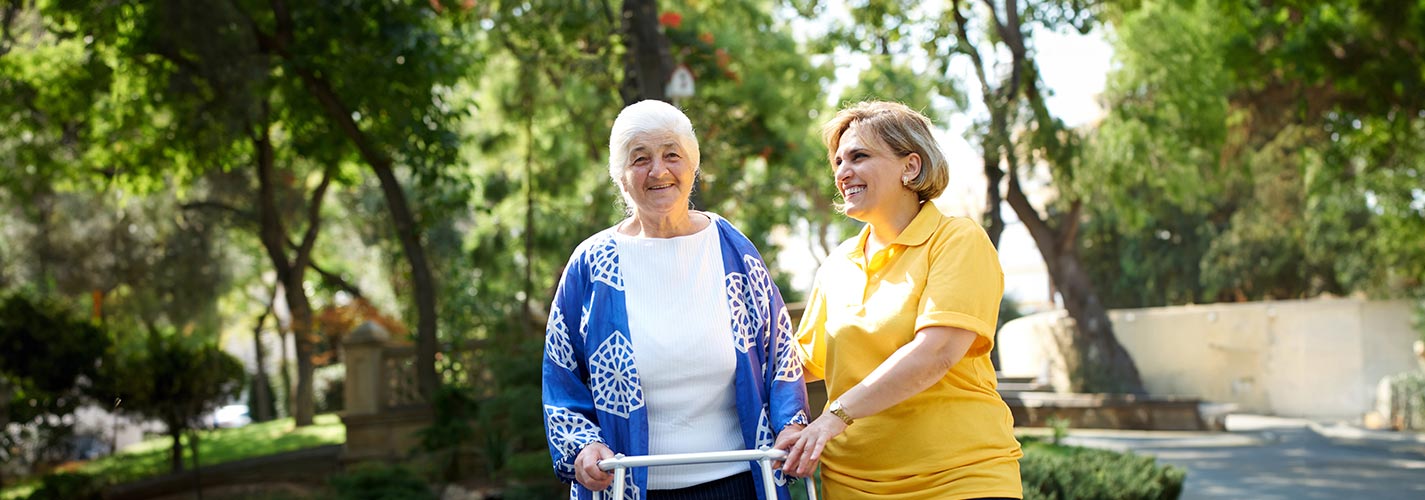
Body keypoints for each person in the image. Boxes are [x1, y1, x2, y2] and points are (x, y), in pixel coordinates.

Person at [542, 100, 810, 500]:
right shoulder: (591, 264)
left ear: (693, 165)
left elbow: (780, 353)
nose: (658, 171)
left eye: (672, 155)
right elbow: (561, 377)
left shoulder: (732, 249)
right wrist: (582, 445)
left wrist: (792, 424)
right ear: (620, 175)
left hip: (741, 483)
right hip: (627, 486)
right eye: (640, 159)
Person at [781, 101, 1023, 499]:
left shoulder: (957, 240)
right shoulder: (837, 265)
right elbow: (798, 364)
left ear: (910, 167)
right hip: (853, 485)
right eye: (838, 161)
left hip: (960, 478)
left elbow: (936, 352)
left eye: (859, 156)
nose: (843, 172)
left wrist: (834, 416)